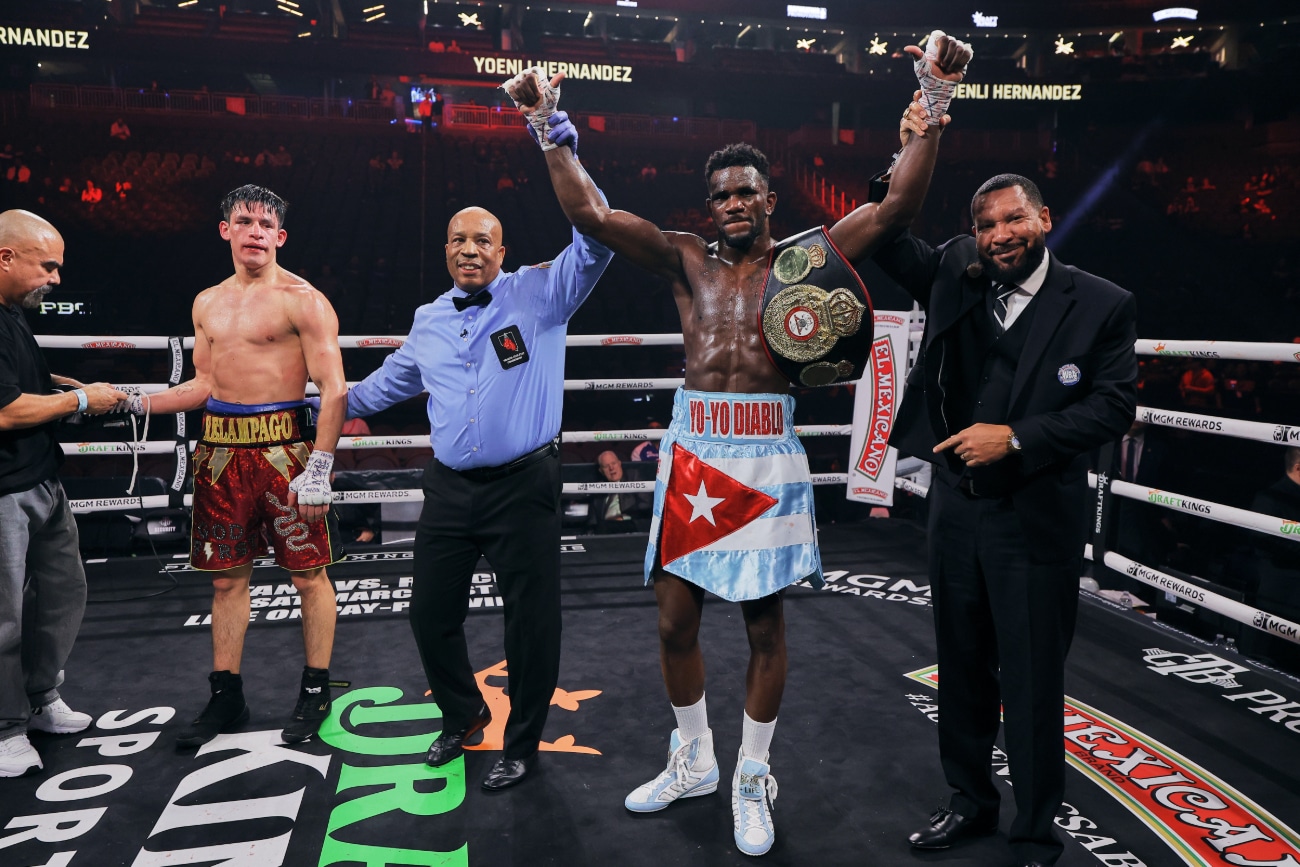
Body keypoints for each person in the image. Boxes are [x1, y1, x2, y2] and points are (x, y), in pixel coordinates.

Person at [504, 31, 969, 856]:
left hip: (766, 451)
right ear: (709, 204)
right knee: (673, 620)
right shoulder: (686, 259)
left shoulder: (807, 256)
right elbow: (592, 214)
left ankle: (753, 772)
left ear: (769, 198)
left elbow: (895, 209)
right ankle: (695, 758)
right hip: (695, 449)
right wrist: (548, 123)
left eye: (747, 190)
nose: (734, 202)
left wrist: (932, 98)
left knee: (763, 624)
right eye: (721, 194)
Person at [875, 171, 1138, 866]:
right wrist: (913, 147)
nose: (999, 236)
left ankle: (1034, 830)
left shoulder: (1101, 303)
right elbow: (888, 234)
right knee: (961, 666)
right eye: (986, 224)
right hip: (956, 509)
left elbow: (1113, 407)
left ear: (1045, 218)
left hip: (1034, 514)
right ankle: (969, 800)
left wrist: (1016, 437)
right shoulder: (954, 272)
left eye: (1013, 219)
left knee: (1030, 678)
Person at [345, 191, 613, 787]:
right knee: (428, 613)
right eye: (459, 240)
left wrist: (562, 154)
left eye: (482, 240)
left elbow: (595, 242)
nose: (470, 250)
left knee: (531, 623)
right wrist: (314, 409)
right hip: (449, 490)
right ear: (445, 250)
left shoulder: (539, 294)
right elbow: (380, 388)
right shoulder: (428, 319)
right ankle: (463, 714)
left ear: (501, 251)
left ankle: (521, 743)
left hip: (524, 486)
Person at [120, 185, 348, 747]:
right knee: (226, 580)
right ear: (226, 229)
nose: (255, 232)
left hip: (286, 454)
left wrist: (319, 466)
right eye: (245, 221)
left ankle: (316, 689)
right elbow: (202, 384)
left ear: (280, 236)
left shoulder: (304, 300)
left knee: (308, 574)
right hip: (220, 452)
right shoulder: (207, 303)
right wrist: (136, 402)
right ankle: (226, 696)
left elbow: (334, 388)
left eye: (266, 224)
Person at [0, 210, 126, 776]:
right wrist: (78, 402)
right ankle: (5, 728)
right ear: (6, 257)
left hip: (42, 477)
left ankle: (39, 694)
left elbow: (13, 381)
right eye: (47, 265)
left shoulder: (12, 310)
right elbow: (5, 410)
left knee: (61, 592)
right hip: (4, 488)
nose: (55, 278)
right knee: (5, 615)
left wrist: (59, 387)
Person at [589, 450, 651, 534]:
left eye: (614, 463)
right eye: (606, 466)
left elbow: (645, 504)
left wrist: (623, 518)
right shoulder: (598, 488)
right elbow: (593, 520)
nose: (611, 468)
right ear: (601, 471)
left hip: (630, 523)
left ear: (619, 463)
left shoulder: (633, 476)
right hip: (605, 528)